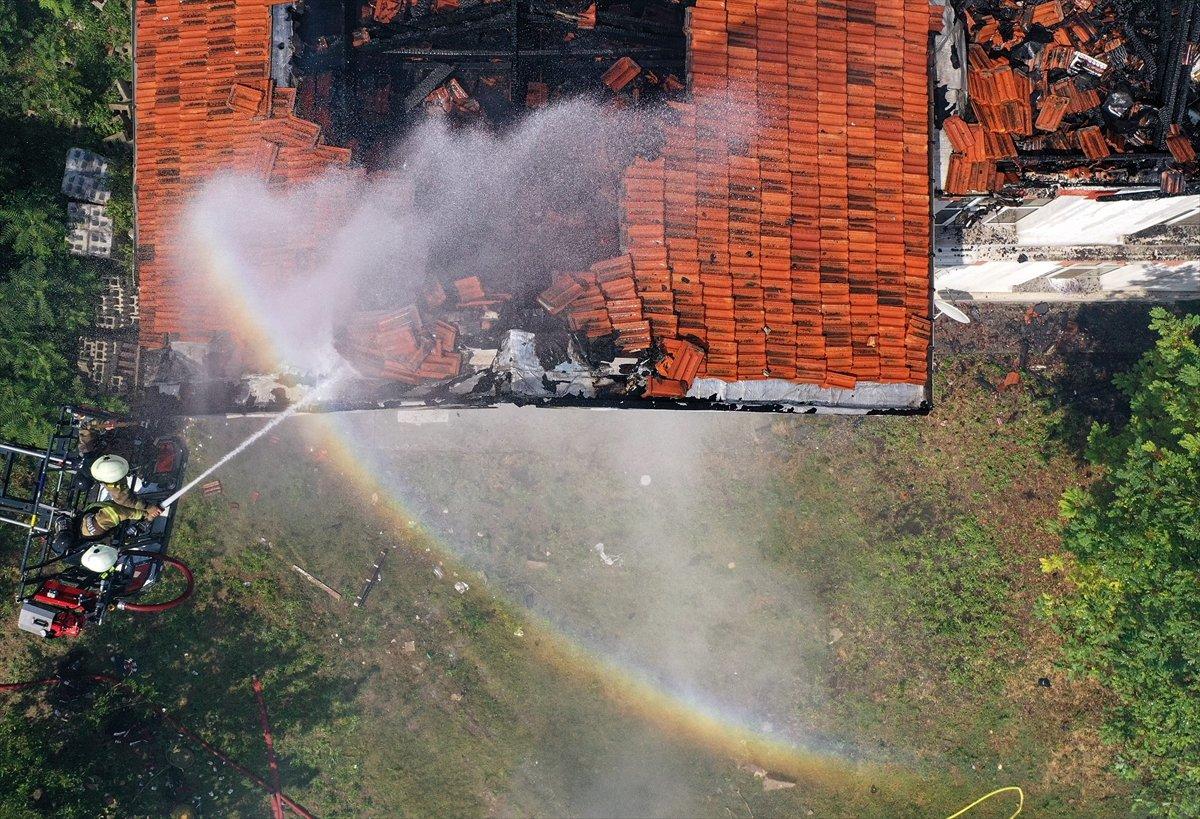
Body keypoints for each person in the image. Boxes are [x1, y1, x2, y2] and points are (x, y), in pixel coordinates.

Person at [80, 455, 162, 539]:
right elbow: (123, 507)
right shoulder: (105, 519)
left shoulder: (105, 465)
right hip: (100, 526)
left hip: (97, 515)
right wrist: (147, 513)